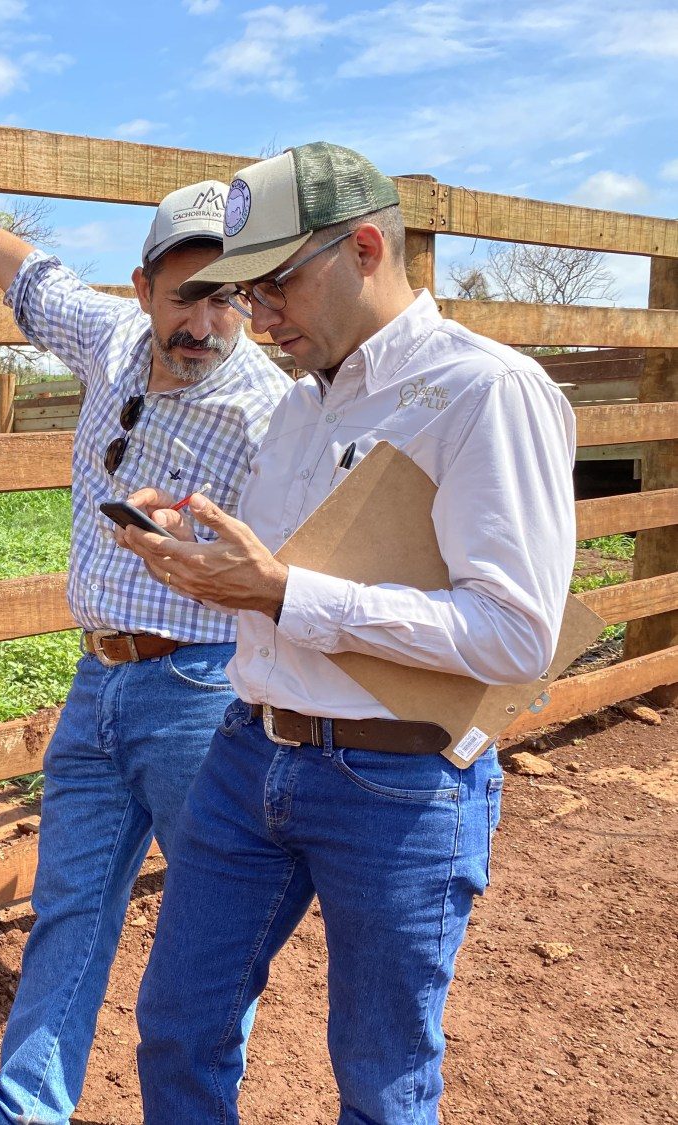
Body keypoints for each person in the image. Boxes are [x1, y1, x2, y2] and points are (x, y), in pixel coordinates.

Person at [116, 142, 575, 1123]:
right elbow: (294, 573)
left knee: (381, 1079)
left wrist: (281, 593)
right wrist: (204, 554)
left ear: (365, 247)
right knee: (178, 1027)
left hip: (397, 782)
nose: (260, 315)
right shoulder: (300, 405)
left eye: (277, 283)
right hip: (252, 755)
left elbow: (517, 639)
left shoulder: (486, 393)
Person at [0, 158, 290, 1125]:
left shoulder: (272, 410)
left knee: (209, 930)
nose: (204, 323)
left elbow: (302, 559)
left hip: (202, 690)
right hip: (98, 682)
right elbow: (31, 275)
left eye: (228, 298)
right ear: (144, 287)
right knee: (69, 905)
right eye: (185, 295)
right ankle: (22, 1107)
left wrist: (203, 545)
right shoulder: (110, 337)